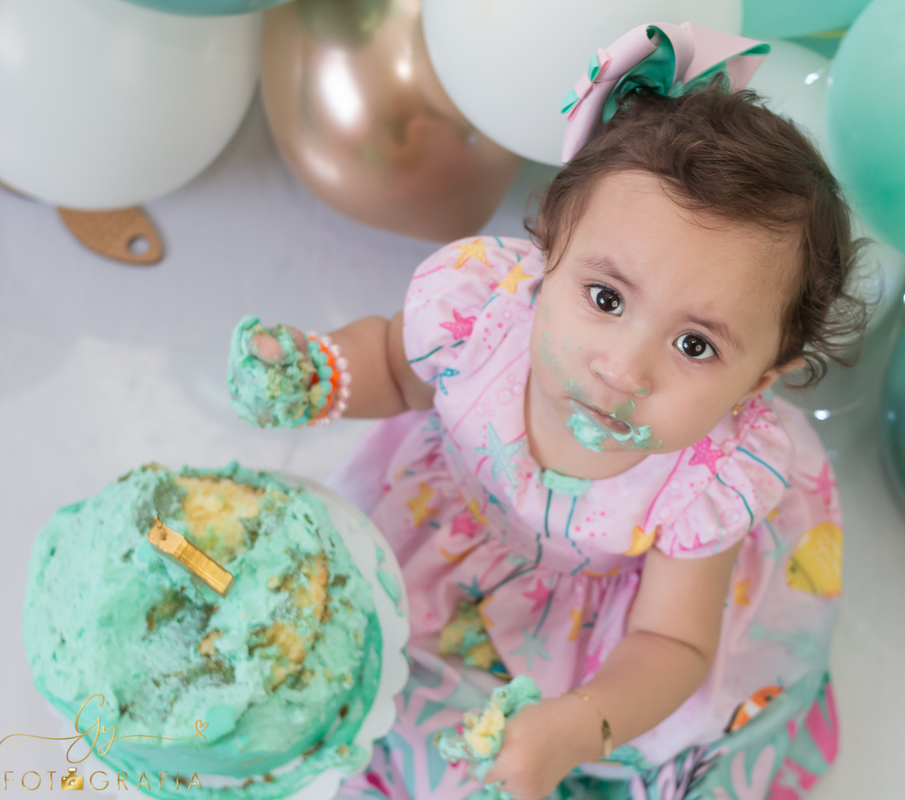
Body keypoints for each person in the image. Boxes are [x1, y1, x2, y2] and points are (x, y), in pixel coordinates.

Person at [230, 22, 865, 800]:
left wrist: (577, 725)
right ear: (549, 251)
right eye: (606, 298)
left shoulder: (705, 483)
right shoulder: (482, 318)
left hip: (590, 636)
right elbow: (395, 369)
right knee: (333, 664)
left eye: (695, 345)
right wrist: (320, 372)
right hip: (435, 531)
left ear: (761, 380)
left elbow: (670, 641)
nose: (623, 368)